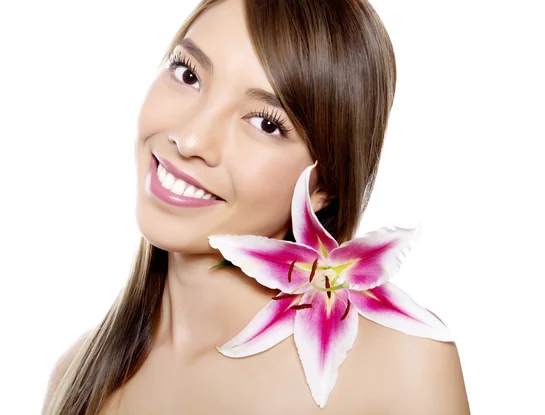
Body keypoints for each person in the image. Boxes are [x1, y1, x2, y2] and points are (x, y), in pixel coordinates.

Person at [43, 0, 470, 413]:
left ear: (326, 188)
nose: (190, 140)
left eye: (265, 123)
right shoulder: (76, 376)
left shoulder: (404, 367)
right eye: (188, 74)